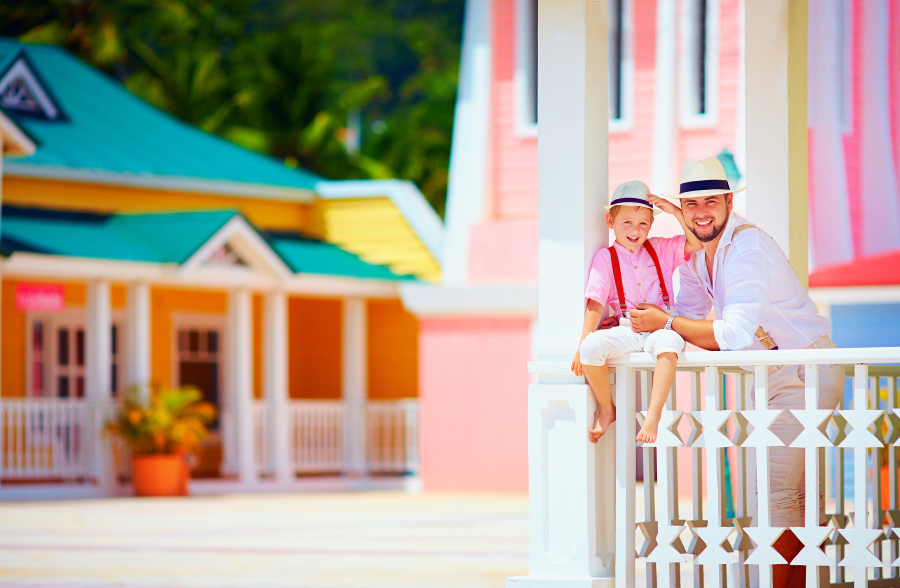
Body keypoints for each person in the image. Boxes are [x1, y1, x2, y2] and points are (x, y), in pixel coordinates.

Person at [629, 157, 844, 588]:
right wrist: (652, 316)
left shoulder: (747, 247)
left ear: (729, 202)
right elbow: (687, 313)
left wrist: (665, 323)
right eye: (690, 205)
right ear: (681, 210)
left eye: (711, 201)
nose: (702, 211)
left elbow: (730, 333)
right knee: (795, 500)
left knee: (778, 497)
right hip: (773, 374)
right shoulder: (697, 258)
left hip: (803, 370)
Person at [571, 180, 702, 444]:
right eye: (627, 222)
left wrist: (675, 212)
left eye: (643, 223)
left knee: (668, 344)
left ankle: (653, 416)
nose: (635, 230)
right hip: (626, 329)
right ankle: (608, 409)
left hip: (662, 325)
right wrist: (582, 341)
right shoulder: (605, 258)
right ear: (610, 221)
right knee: (590, 349)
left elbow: (697, 242)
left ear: (651, 224)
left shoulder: (660, 249)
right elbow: (595, 302)